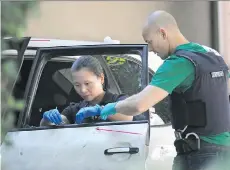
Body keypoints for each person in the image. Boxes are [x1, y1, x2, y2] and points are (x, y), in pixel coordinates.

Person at [81, 11, 230, 170]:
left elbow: (140, 104)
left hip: (201, 154)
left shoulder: (178, 63)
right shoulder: (213, 57)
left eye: (150, 42)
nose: (150, 49)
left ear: (163, 33)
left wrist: (107, 108)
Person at [40, 55, 140, 126]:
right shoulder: (75, 108)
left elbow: (128, 116)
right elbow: (60, 122)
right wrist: (47, 119)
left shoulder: (118, 100)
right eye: (77, 85)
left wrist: (100, 110)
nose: (82, 90)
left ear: (101, 78)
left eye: (87, 83)